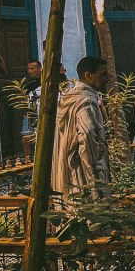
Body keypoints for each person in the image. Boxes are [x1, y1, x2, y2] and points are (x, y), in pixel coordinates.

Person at [52, 56, 111, 200]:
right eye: (103, 74)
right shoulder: (87, 101)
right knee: (90, 219)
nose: (107, 79)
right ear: (88, 76)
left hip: (65, 171)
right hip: (83, 176)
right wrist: (97, 181)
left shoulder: (68, 97)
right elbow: (89, 139)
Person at [21, 59, 41, 156]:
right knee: (26, 139)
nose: (29, 71)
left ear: (39, 69)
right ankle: (28, 162)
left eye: (32, 69)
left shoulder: (44, 81)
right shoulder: (27, 83)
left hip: (41, 113)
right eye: (28, 69)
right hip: (29, 113)